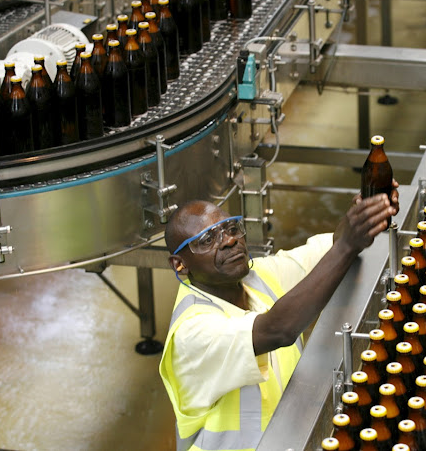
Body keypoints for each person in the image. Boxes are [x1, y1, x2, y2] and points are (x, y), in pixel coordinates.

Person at [159, 184, 399, 451]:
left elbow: (329, 251)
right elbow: (277, 330)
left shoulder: (257, 277)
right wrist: (346, 245)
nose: (228, 240)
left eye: (231, 228)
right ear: (179, 264)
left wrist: (366, 214)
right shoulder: (191, 332)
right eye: (207, 240)